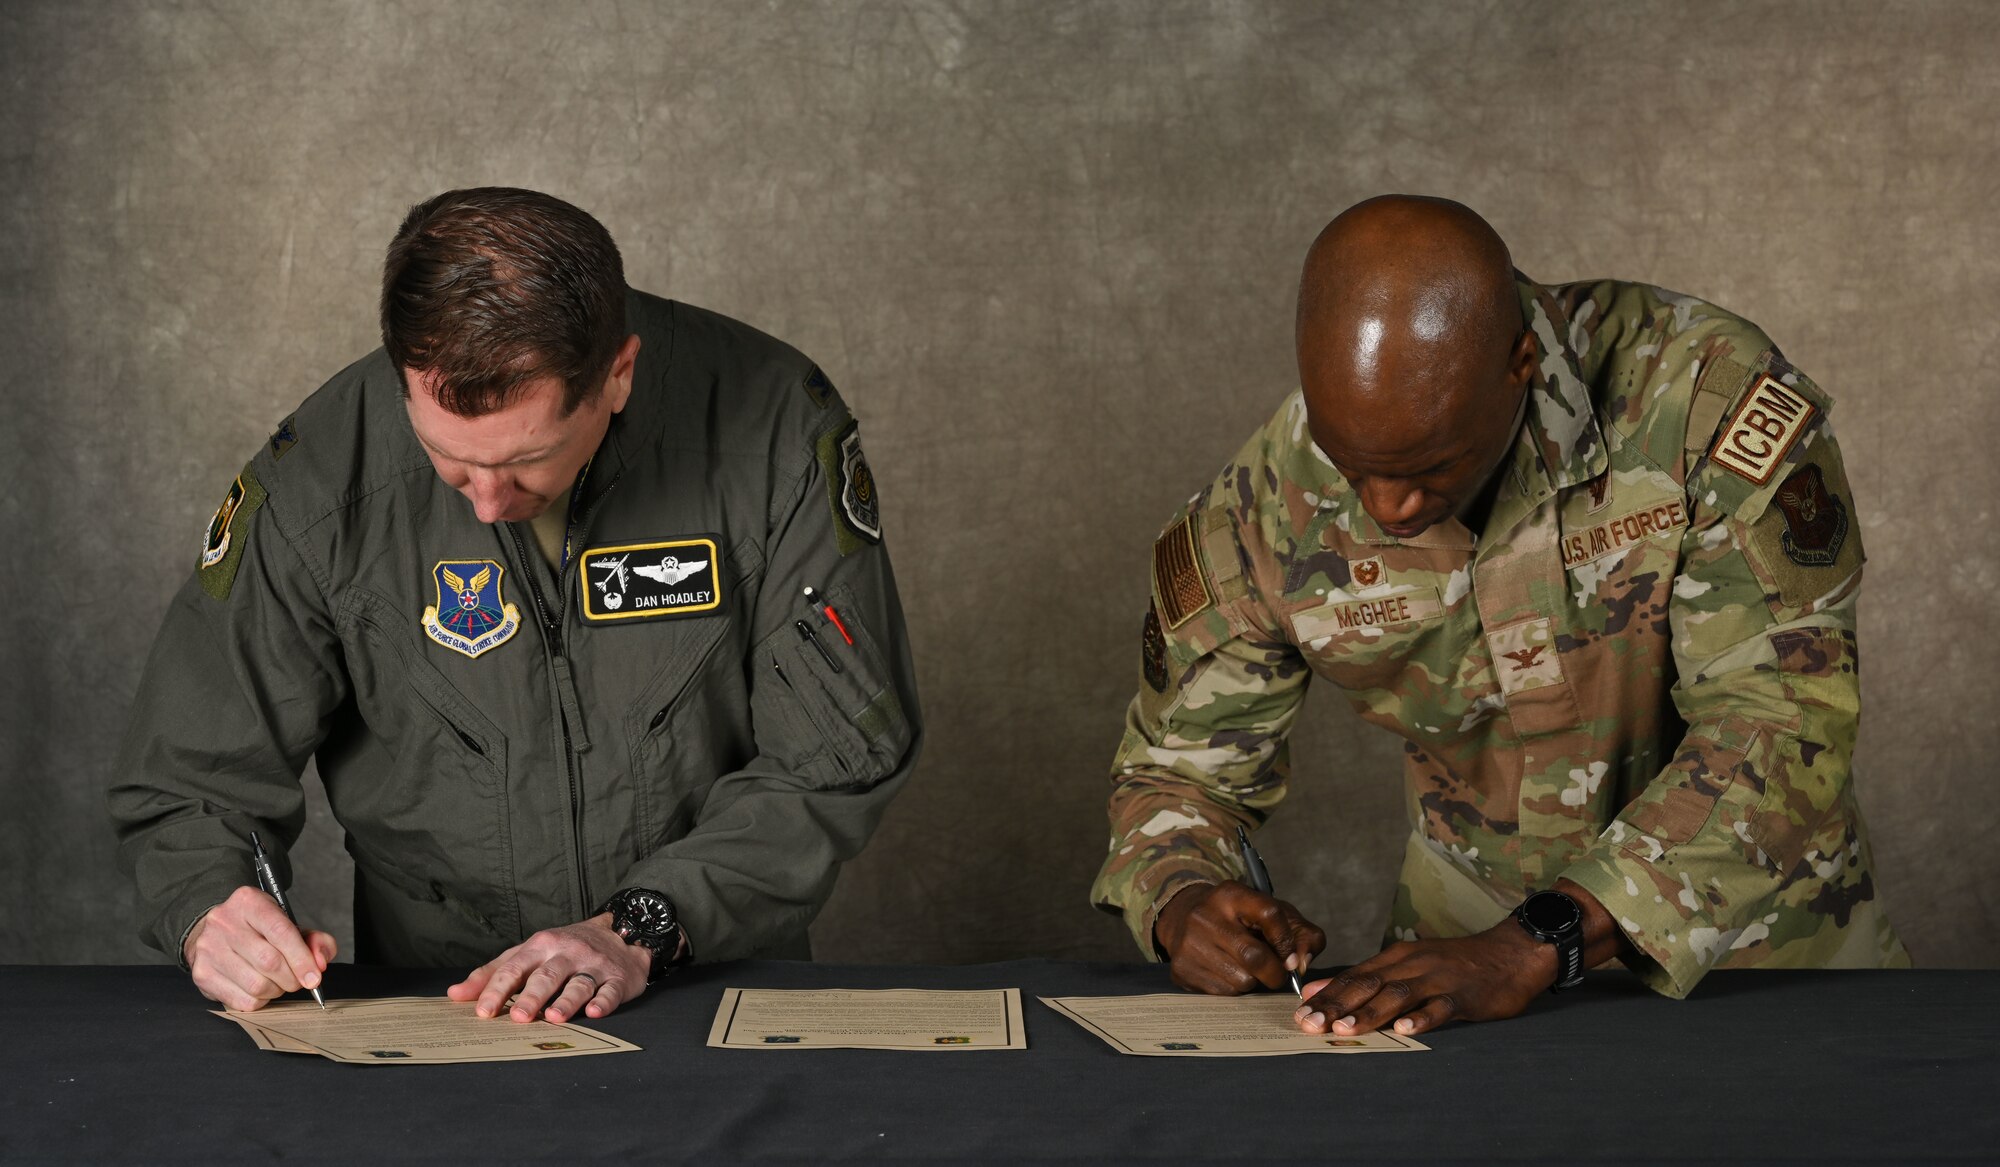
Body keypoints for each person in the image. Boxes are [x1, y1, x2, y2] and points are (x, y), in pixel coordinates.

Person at [1091, 194, 1906, 1039]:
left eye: (1428, 465)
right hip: (1452, 988)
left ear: (1521, 362)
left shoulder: (1700, 400)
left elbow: (1781, 716)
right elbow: (1177, 773)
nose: (1389, 505)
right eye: (1355, 464)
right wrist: (1183, 893)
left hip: (1762, 958)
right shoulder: (1260, 513)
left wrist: (1537, 941)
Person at [110, 187, 921, 1024]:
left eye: (529, 459)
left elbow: (834, 754)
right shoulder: (317, 477)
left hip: (709, 983)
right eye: (447, 461)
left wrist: (640, 925)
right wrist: (212, 904)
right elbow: (191, 778)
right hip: (442, 1006)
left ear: (619, 374)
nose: (489, 504)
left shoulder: (776, 428)